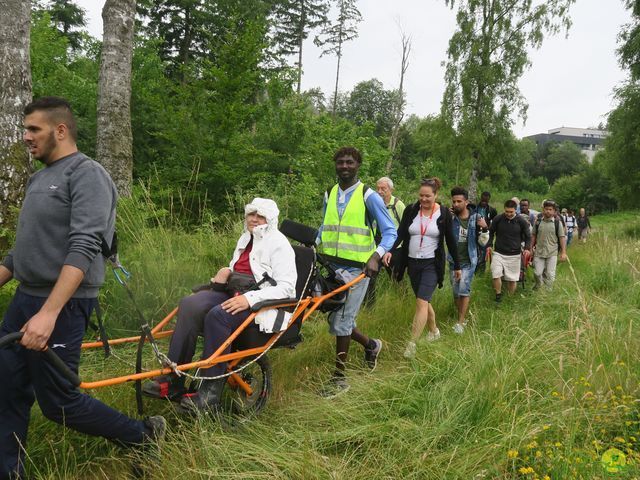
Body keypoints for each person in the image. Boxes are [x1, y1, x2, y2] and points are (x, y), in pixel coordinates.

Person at [0, 97, 165, 479]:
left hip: (64, 304)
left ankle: (143, 435)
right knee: (7, 390)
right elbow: (19, 252)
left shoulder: (87, 174)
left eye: (33, 129)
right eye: (25, 129)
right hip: (26, 299)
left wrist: (49, 313)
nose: (26, 137)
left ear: (60, 130)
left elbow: (84, 245)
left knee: (60, 404)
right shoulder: (39, 178)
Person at [143, 198, 296, 413]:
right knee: (189, 304)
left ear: (270, 220)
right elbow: (244, 270)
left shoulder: (279, 244)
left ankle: (209, 393)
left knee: (218, 315)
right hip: (233, 293)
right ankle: (173, 379)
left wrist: (249, 299)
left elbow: (288, 288)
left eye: (260, 215)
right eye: (251, 214)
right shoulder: (246, 238)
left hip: (261, 305)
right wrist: (226, 271)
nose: (254, 219)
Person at [316, 147, 396, 397]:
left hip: (359, 269)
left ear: (358, 165)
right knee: (337, 319)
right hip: (331, 267)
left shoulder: (368, 196)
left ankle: (339, 378)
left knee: (342, 322)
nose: (344, 166)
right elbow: (325, 226)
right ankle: (371, 346)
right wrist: (312, 244)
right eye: (340, 162)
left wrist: (376, 257)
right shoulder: (329, 193)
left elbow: (391, 231)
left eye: (349, 162)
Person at [383, 178, 461, 358]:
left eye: (428, 196)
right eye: (421, 196)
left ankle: (412, 344)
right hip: (412, 263)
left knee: (421, 302)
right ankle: (434, 331)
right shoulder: (411, 210)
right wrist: (390, 250)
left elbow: (450, 240)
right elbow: (401, 233)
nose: (424, 199)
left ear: (436, 195)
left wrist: (457, 265)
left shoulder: (443, 214)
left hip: (431, 264)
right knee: (423, 301)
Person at [449, 187, 489, 334]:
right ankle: (461, 315)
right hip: (453, 261)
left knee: (463, 289)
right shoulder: (451, 218)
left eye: (459, 201)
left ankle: (460, 322)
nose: (456, 204)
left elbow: (483, 242)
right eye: (454, 201)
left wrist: (484, 229)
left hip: (469, 260)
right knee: (455, 291)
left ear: (466, 202)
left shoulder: (476, 217)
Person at [363, 176, 406, 306]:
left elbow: (406, 226)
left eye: (384, 188)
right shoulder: (374, 204)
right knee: (370, 275)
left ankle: (402, 303)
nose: (380, 191)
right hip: (378, 244)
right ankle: (369, 306)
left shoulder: (398, 205)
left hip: (395, 247)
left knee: (396, 277)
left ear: (391, 189)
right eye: (378, 188)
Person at [487, 199, 531, 303]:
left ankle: (510, 298)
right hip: (499, 252)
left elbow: (528, 236)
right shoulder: (498, 219)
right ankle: (498, 295)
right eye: (507, 211)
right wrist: (489, 245)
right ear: (504, 209)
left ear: (515, 210)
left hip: (514, 254)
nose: (509, 214)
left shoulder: (521, 221)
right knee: (495, 273)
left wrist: (527, 249)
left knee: (512, 278)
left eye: (511, 212)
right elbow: (491, 232)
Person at [531, 200, 567, 289]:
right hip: (539, 252)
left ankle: (548, 292)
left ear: (554, 211)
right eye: (546, 209)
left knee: (550, 274)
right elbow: (533, 235)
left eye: (550, 209)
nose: (548, 211)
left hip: (552, 252)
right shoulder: (538, 222)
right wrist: (530, 248)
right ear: (543, 210)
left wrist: (563, 252)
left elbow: (562, 237)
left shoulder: (557, 223)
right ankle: (539, 285)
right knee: (537, 273)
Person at [474, 191, 498, 274]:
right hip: (474, 233)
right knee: (474, 252)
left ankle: (480, 273)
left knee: (483, 253)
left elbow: (495, 222)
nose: (484, 202)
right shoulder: (474, 208)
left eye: (486, 201)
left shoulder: (492, 210)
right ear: (480, 198)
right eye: (482, 200)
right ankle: (473, 271)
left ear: (488, 200)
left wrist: (490, 230)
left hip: (485, 234)